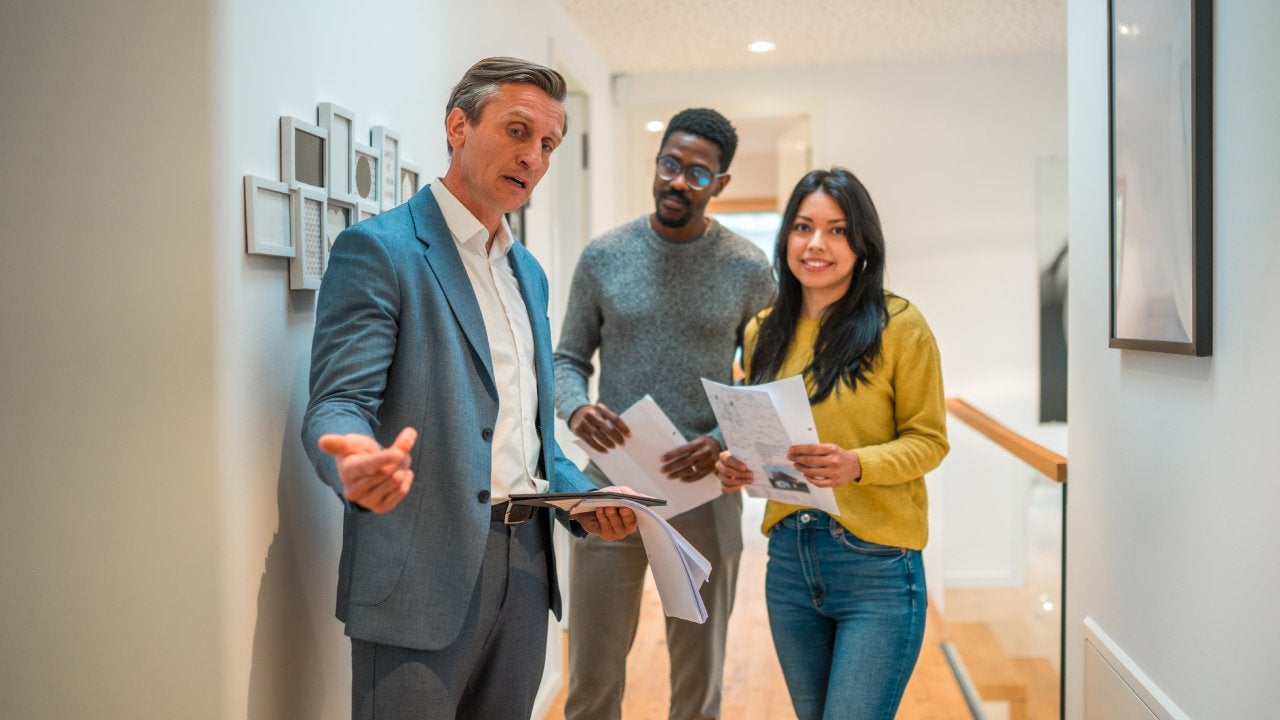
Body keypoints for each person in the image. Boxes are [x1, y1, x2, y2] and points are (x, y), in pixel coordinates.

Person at [301, 56, 639, 720]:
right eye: (517, 132)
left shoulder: (530, 274)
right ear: (459, 125)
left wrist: (581, 496)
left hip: (526, 570)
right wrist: (351, 464)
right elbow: (339, 402)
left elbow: (533, 438)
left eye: (547, 144)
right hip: (418, 572)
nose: (534, 157)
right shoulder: (382, 250)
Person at [554, 108, 775, 720]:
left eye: (697, 174)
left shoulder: (750, 269)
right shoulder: (604, 257)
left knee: (697, 686)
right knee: (593, 680)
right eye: (670, 165)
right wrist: (575, 409)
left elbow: (766, 384)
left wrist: (721, 437)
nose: (679, 182)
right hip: (610, 490)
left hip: (704, 491)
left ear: (720, 184)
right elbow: (567, 358)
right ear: (658, 164)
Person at [715, 167, 949, 719]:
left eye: (837, 230)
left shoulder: (899, 325)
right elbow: (764, 436)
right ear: (786, 237)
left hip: (876, 567)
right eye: (803, 226)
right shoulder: (762, 331)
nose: (816, 244)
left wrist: (856, 465)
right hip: (789, 562)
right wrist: (738, 463)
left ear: (862, 243)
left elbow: (929, 441)